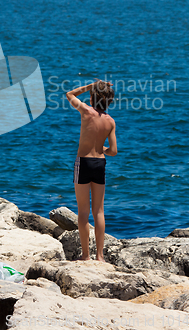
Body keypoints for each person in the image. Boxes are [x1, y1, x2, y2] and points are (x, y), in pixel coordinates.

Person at [66, 80, 117, 262]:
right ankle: (100, 256)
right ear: (109, 101)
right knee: (99, 212)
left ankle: (86, 256)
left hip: (83, 163)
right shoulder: (110, 121)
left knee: (83, 212)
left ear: (92, 97)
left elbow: (70, 94)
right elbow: (113, 151)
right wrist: (100, 148)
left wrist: (91, 85)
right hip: (99, 164)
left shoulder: (86, 111)